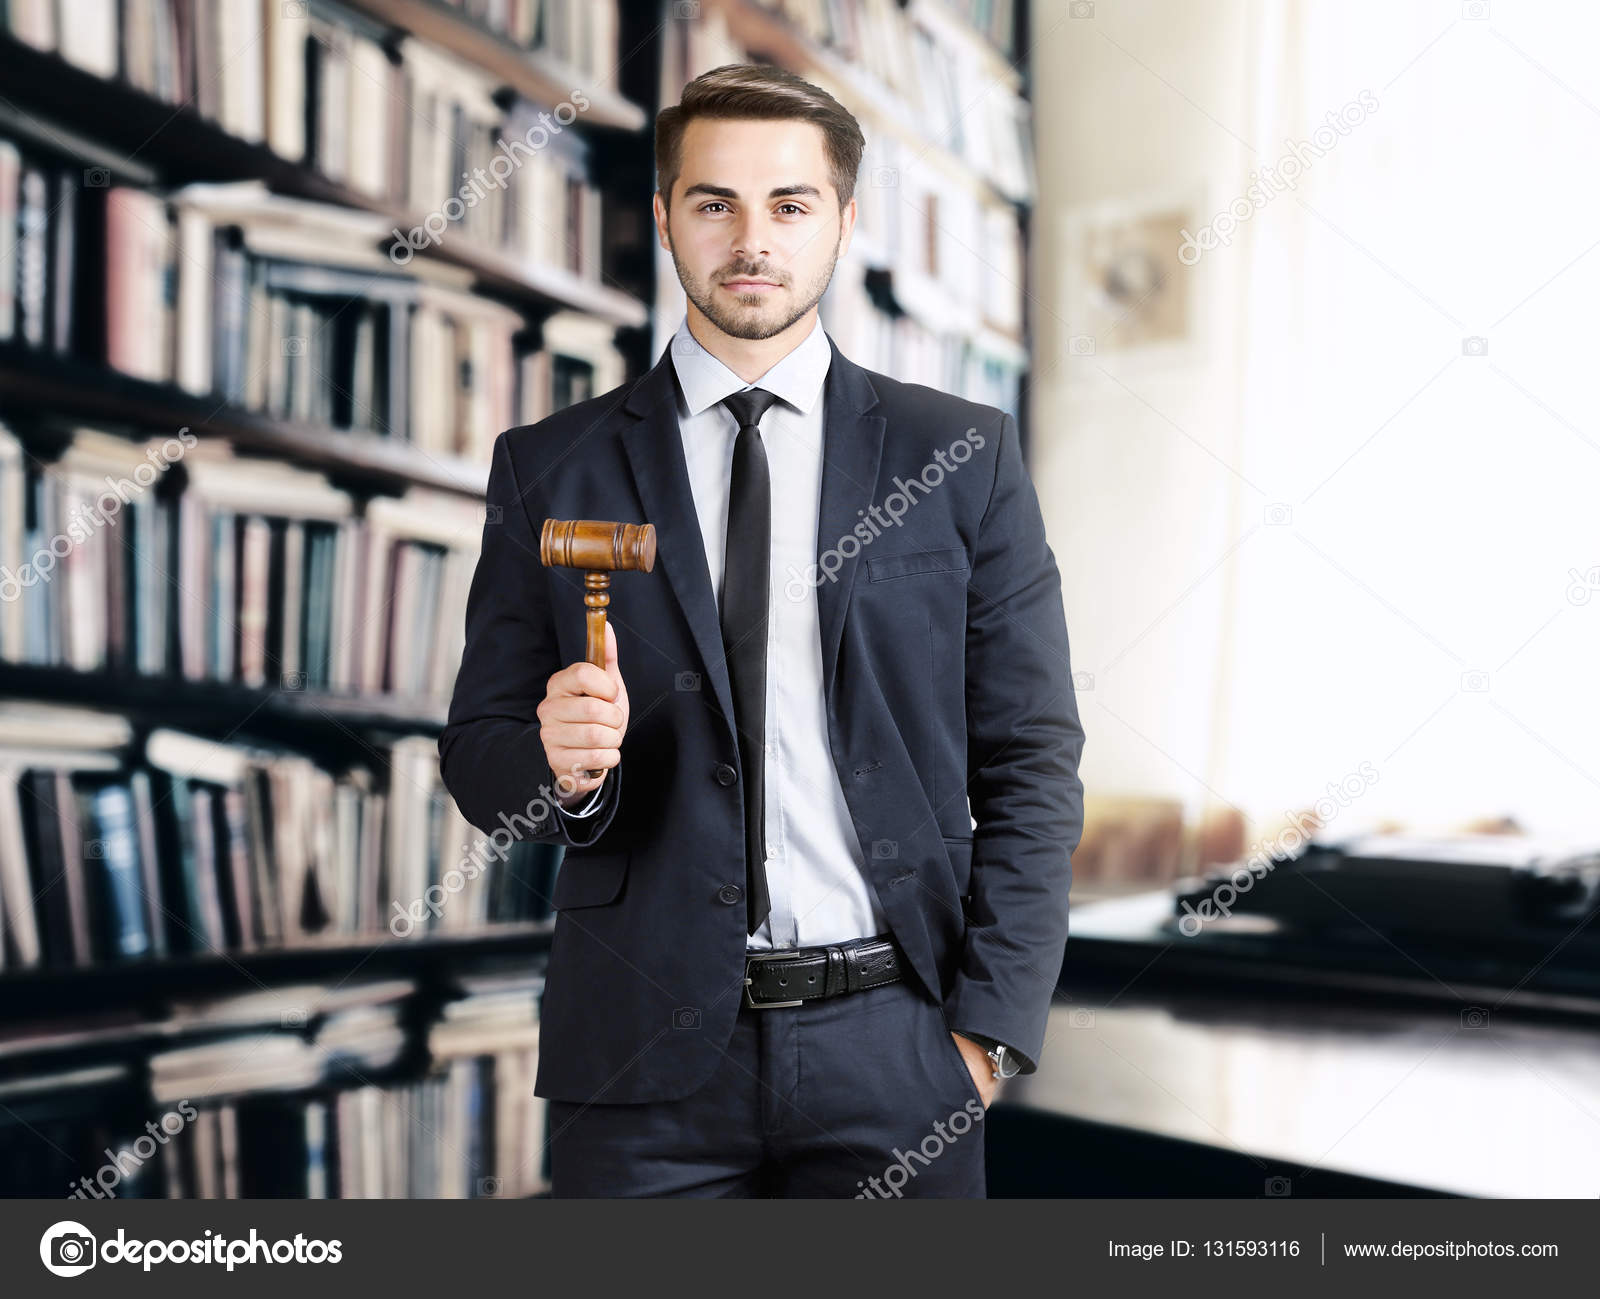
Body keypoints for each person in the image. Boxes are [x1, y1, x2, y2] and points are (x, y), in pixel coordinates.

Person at [439, 63, 1085, 1198]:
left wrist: (990, 1035)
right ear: (663, 217)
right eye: (713, 202)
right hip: (638, 1068)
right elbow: (480, 755)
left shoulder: (961, 457)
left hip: (899, 1047)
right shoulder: (548, 467)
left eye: (790, 204)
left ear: (842, 222)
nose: (752, 239)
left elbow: (1032, 759)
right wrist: (561, 769)